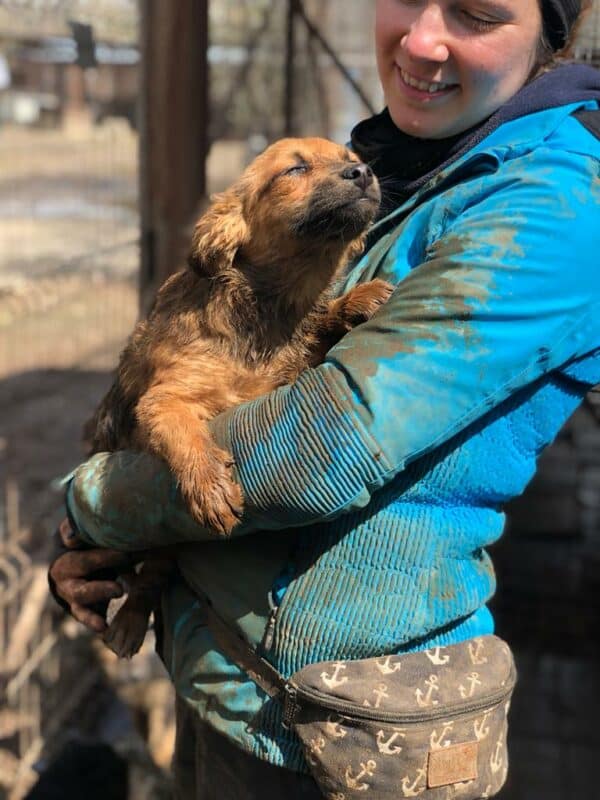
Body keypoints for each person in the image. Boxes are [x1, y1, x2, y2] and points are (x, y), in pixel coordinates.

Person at [49, 1, 600, 797]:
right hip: (231, 685)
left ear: (551, 33)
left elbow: (320, 447)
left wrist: (92, 505)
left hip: (353, 731)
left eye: (477, 12)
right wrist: (107, 559)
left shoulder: (557, 204)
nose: (420, 39)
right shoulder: (414, 158)